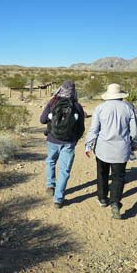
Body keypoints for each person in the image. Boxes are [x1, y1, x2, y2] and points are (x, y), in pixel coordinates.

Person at [84, 83, 137, 220]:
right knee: (118, 176)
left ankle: (103, 198)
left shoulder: (100, 108)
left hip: (103, 148)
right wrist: (134, 144)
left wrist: (88, 145)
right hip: (121, 150)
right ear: (120, 95)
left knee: (102, 173)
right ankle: (115, 203)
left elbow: (94, 130)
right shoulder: (128, 108)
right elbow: (135, 131)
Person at [40, 80, 85, 208]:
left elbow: (42, 120)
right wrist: (75, 139)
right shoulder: (77, 106)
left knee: (50, 161)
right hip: (69, 142)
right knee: (64, 170)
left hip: (52, 139)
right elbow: (81, 128)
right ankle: (58, 199)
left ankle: (50, 185)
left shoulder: (53, 102)